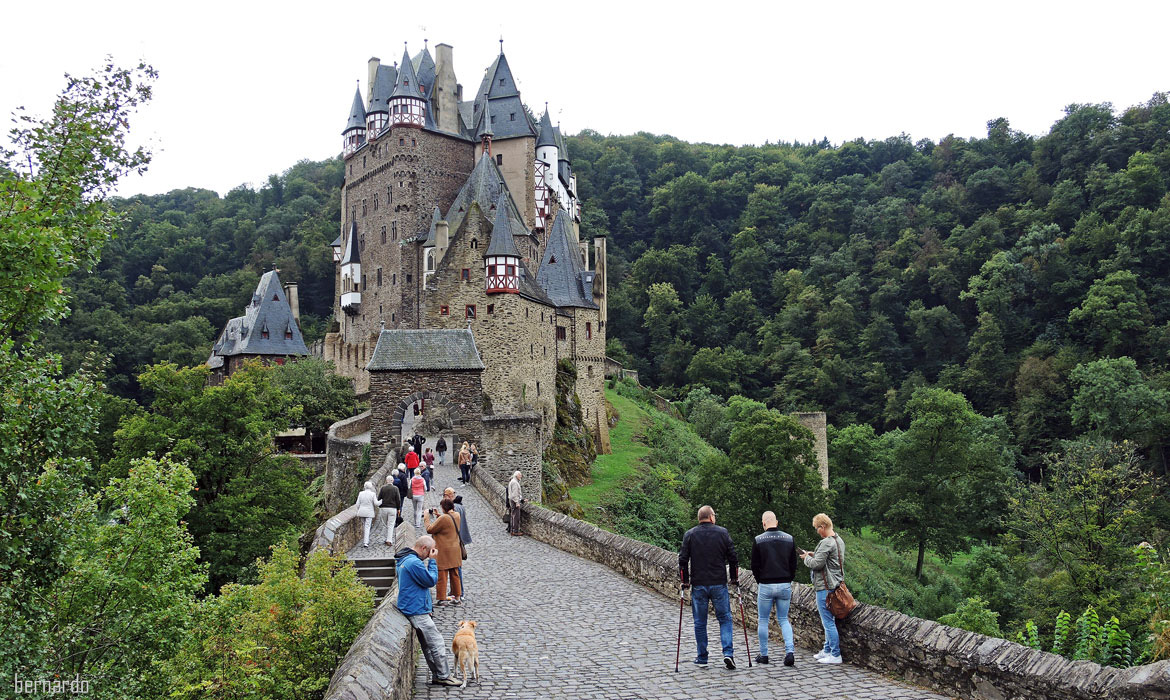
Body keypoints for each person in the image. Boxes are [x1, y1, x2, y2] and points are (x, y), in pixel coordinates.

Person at [395, 534, 460, 687]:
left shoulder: (404, 559)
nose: (430, 554)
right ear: (424, 548)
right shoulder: (414, 563)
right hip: (416, 609)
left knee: (428, 645)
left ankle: (438, 674)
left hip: (413, 606)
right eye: (430, 551)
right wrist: (433, 561)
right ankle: (444, 676)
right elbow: (430, 580)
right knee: (436, 643)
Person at [679, 505, 739, 669]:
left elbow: (683, 560)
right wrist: (734, 578)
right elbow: (733, 557)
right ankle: (728, 653)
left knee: (700, 622)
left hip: (699, 584)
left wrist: (684, 581)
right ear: (711, 517)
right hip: (718, 583)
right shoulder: (722, 533)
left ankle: (702, 657)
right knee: (725, 619)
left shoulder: (690, 535)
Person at [750, 510, 798, 666]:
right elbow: (793, 564)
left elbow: (755, 565)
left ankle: (764, 655)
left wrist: (760, 580)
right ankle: (789, 652)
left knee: (763, 620)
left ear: (764, 523)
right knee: (784, 619)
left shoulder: (758, 540)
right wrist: (788, 579)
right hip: (784, 583)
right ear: (776, 522)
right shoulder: (789, 539)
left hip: (766, 584)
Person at [800, 512, 845, 664]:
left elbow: (817, 564)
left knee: (828, 622)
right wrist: (814, 554)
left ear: (823, 526)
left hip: (825, 587)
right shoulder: (838, 540)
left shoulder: (826, 542)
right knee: (829, 620)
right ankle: (826, 649)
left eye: (817, 528)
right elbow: (828, 559)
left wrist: (807, 558)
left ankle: (835, 654)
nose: (817, 531)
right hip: (836, 584)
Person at [424, 498, 463, 605]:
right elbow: (448, 522)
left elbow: (430, 529)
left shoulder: (444, 518)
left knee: (442, 573)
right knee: (455, 574)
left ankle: (442, 598)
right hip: (455, 549)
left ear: (443, 507)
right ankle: (457, 597)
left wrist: (426, 517)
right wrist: (439, 515)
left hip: (444, 551)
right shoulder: (457, 515)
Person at [444, 487, 472, 593]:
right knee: (456, 567)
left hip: (455, 541)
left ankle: (459, 591)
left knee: (456, 568)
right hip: (460, 539)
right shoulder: (460, 506)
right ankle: (456, 591)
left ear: (449, 496)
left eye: (445, 496)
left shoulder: (454, 508)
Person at [353, 481, 381, 548]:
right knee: (367, 526)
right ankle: (366, 542)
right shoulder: (372, 494)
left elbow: (357, 504)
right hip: (369, 512)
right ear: (370, 487)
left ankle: (364, 540)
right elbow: (376, 504)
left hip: (362, 512)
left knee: (364, 526)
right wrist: (381, 501)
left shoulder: (361, 493)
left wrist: (359, 509)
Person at [377, 474, 401, 547]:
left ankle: (386, 538)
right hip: (392, 508)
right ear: (392, 481)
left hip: (384, 508)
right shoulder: (395, 488)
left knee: (385, 524)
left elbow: (379, 498)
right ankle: (389, 539)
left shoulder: (383, 488)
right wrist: (398, 508)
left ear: (386, 481)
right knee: (391, 524)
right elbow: (398, 499)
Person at [507, 471, 524, 536]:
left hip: (512, 500)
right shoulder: (514, 483)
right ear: (516, 475)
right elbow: (515, 494)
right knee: (516, 516)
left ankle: (513, 530)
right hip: (514, 501)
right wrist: (517, 502)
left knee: (513, 515)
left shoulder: (513, 481)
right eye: (520, 475)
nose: (521, 476)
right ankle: (515, 531)